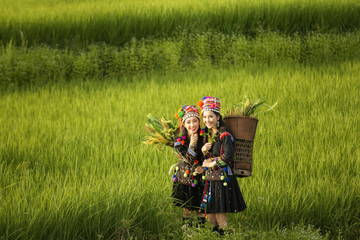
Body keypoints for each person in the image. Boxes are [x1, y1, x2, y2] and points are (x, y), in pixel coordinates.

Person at [197, 96, 247, 235]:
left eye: (211, 116)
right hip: (211, 177)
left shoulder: (224, 134)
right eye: (205, 117)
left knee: (218, 211)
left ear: (218, 117)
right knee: (210, 216)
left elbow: (228, 156)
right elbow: (207, 158)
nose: (207, 120)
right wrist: (203, 151)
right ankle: (217, 235)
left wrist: (212, 162)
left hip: (222, 177)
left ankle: (226, 235)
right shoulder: (208, 135)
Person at [171, 105, 206, 228]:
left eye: (195, 121)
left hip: (201, 178)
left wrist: (204, 167)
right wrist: (192, 144)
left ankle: (202, 232)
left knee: (201, 208)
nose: (192, 125)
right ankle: (187, 233)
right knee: (188, 208)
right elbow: (189, 159)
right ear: (184, 124)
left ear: (199, 121)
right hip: (185, 178)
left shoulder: (205, 137)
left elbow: (209, 157)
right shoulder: (179, 140)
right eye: (189, 122)